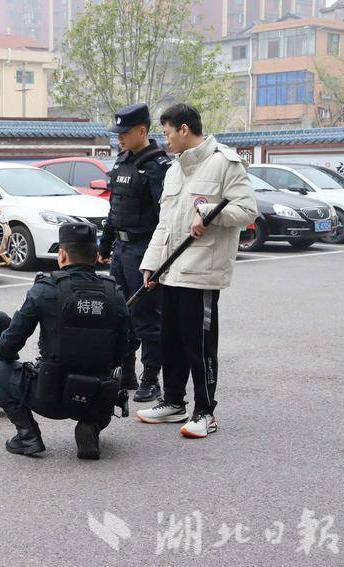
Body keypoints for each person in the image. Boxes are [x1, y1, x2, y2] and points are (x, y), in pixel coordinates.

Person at [137, 103, 257, 438]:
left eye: (167, 133)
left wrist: (208, 212)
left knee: (199, 345)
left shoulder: (224, 163)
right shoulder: (175, 169)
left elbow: (247, 210)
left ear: (184, 129)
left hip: (201, 271)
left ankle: (205, 412)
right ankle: (173, 402)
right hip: (171, 269)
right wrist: (151, 264)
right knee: (171, 340)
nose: (165, 140)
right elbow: (164, 224)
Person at [0, 222, 129, 460]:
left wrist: (12, 359)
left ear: (62, 254)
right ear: (96, 256)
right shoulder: (115, 293)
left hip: (49, 395)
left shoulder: (45, 290)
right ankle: (91, 424)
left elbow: (9, 344)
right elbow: (127, 345)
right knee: (111, 378)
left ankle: (28, 436)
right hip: (96, 395)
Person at [98, 103, 172, 402]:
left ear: (142, 131)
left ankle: (151, 378)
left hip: (144, 250)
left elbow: (165, 217)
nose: (119, 138)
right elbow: (114, 209)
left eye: (125, 133)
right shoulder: (122, 162)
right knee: (120, 312)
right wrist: (105, 244)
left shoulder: (157, 167)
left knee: (146, 316)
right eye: (117, 133)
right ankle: (125, 373)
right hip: (121, 249)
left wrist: (157, 259)